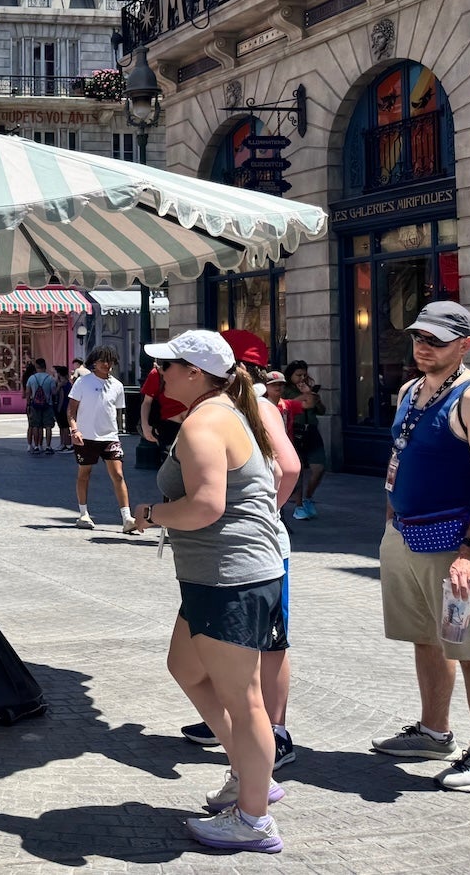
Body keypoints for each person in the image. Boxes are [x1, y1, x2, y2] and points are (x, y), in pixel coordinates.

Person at [129, 330, 286, 853]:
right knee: (185, 667)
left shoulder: (204, 423)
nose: (161, 375)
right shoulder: (225, 410)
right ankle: (249, 774)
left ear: (195, 372)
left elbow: (205, 507)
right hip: (221, 576)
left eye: (169, 366)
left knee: (246, 702)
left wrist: (149, 515)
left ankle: (255, 818)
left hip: (230, 578)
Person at [370, 301, 470, 792]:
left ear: (465, 345)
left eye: (435, 340)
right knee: (427, 638)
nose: (423, 347)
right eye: (418, 337)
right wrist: (392, 516)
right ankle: (435, 732)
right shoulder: (411, 391)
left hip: (456, 546)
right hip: (407, 535)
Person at [180, 329, 302, 773]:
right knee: (216, 659)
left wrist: (262, 513)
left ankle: (271, 739)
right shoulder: (239, 403)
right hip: (240, 554)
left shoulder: (247, 406)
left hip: (247, 556)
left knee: (263, 653)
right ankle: (243, 734)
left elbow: (288, 468)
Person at [67, 346, 133, 531]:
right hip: (85, 436)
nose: (107, 364)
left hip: (109, 436)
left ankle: (127, 517)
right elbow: (71, 410)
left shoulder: (117, 386)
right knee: (84, 474)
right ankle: (83, 514)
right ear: (94, 363)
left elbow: (117, 412)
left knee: (118, 474)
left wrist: (119, 432)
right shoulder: (82, 383)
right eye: (103, 360)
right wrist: (75, 430)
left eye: (110, 360)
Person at [283, 361, 327, 520]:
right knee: (299, 469)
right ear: (290, 376)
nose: (302, 378)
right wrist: (307, 395)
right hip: (296, 430)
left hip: (311, 430)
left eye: (304, 374)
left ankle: (308, 497)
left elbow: (321, 410)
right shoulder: (286, 390)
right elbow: (295, 404)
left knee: (319, 467)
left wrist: (315, 397)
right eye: (298, 375)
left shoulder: (309, 389)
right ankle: (299, 505)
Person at [140, 362, 188, 453]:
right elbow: (146, 402)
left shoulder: (193, 371)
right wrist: (145, 426)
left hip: (191, 424)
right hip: (168, 428)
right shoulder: (157, 374)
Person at [25, 358, 58, 454]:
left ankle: (36, 446)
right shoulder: (50, 378)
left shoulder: (32, 378)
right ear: (45, 366)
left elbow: (28, 392)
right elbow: (54, 392)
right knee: (48, 426)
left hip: (35, 405)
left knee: (36, 426)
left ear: (36, 367)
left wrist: (28, 403)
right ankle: (48, 446)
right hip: (48, 404)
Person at [53, 365, 73, 452]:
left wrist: (59, 409)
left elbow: (60, 396)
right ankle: (63, 444)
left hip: (63, 408)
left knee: (64, 427)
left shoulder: (62, 384)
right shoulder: (68, 384)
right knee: (62, 427)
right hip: (66, 408)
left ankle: (67, 444)